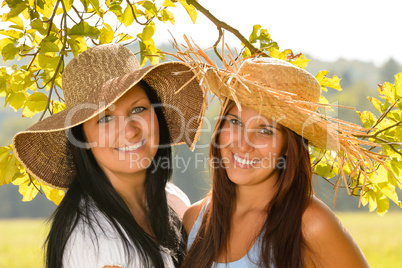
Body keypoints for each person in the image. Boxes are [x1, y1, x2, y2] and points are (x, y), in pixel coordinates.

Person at [12, 44, 206, 268]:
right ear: (82, 139)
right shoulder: (93, 240)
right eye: (105, 119)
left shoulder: (171, 200)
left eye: (138, 109)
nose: (130, 131)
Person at [182, 58, 371, 267]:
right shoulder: (195, 220)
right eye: (235, 122)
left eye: (265, 131)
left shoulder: (310, 225)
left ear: (289, 148)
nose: (243, 145)